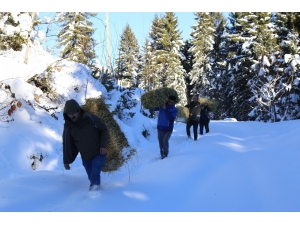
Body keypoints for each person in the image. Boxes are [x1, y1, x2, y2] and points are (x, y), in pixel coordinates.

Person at [62, 99, 109, 192]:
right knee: (91, 176)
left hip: (98, 153)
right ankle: (95, 187)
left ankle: (94, 194)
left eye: (73, 113)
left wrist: (103, 145)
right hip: (86, 157)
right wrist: (66, 160)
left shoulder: (90, 118)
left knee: (95, 171)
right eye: (69, 113)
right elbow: (67, 143)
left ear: (78, 111)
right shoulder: (68, 127)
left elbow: (104, 130)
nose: (71, 116)